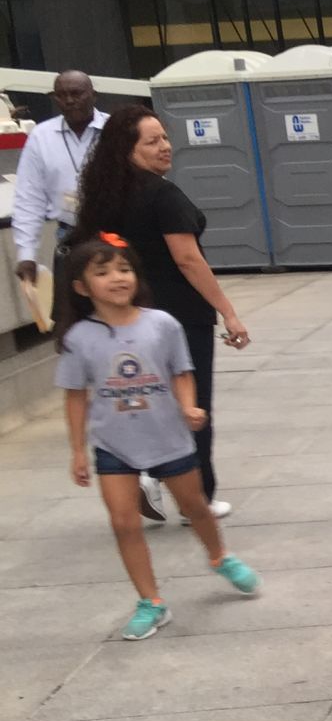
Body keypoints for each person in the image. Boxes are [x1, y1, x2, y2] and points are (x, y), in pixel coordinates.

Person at [55, 236, 261, 639]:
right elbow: (76, 396)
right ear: (81, 287)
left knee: (196, 508)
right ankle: (151, 602)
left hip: (168, 437)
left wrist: (189, 407)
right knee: (123, 523)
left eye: (124, 269)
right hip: (114, 445)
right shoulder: (78, 339)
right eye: (103, 272)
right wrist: (78, 450)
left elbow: (182, 372)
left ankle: (219, 556)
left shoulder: (162, 324)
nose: (117, 278)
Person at [70, 105, 249, 516]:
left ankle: (147, 475)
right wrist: (228, 311)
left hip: (124, 316)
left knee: (145, 399)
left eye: (165, 137)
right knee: (192, 404)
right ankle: (194, 498)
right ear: (126, 149)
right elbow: (188, 259)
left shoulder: (104, 197)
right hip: (178, 317)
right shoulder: (162, 195)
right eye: (152, 141)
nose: (165, 147)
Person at [13, 69, 107, 288]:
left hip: (118, 233)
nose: (69, 100)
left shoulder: (115, 129)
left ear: (93, 95)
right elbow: (29, 198)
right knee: (71, 313)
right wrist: (26, 254)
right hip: (70, 237)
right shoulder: (41, 136)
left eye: (77, 93)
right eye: (62, 95)